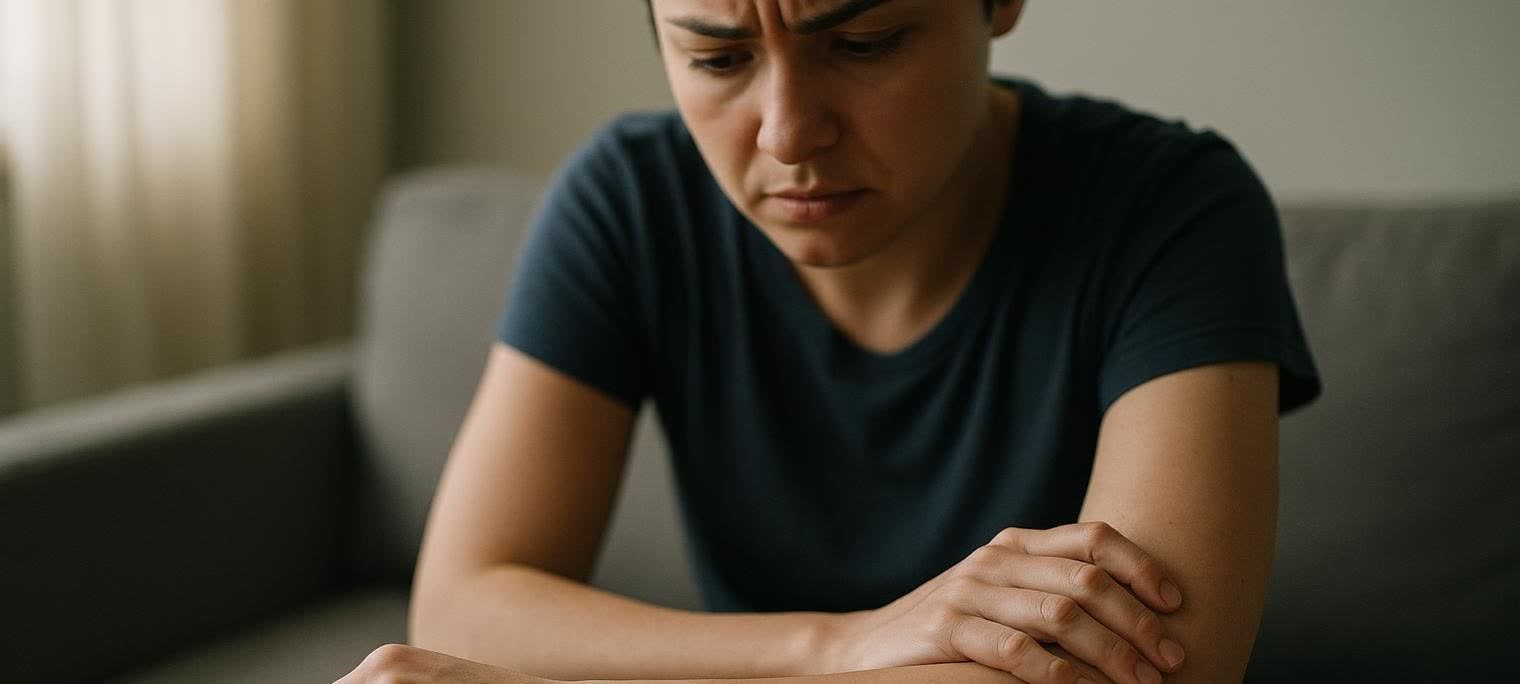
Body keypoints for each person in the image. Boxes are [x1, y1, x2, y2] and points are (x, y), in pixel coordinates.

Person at [338, 1, 1320, 682]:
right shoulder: (629, 201)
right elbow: (465, 606)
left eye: (864, 42)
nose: (788, 135)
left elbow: (1150, 671)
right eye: (718, 58)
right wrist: (840, 645)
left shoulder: (1171, 210)